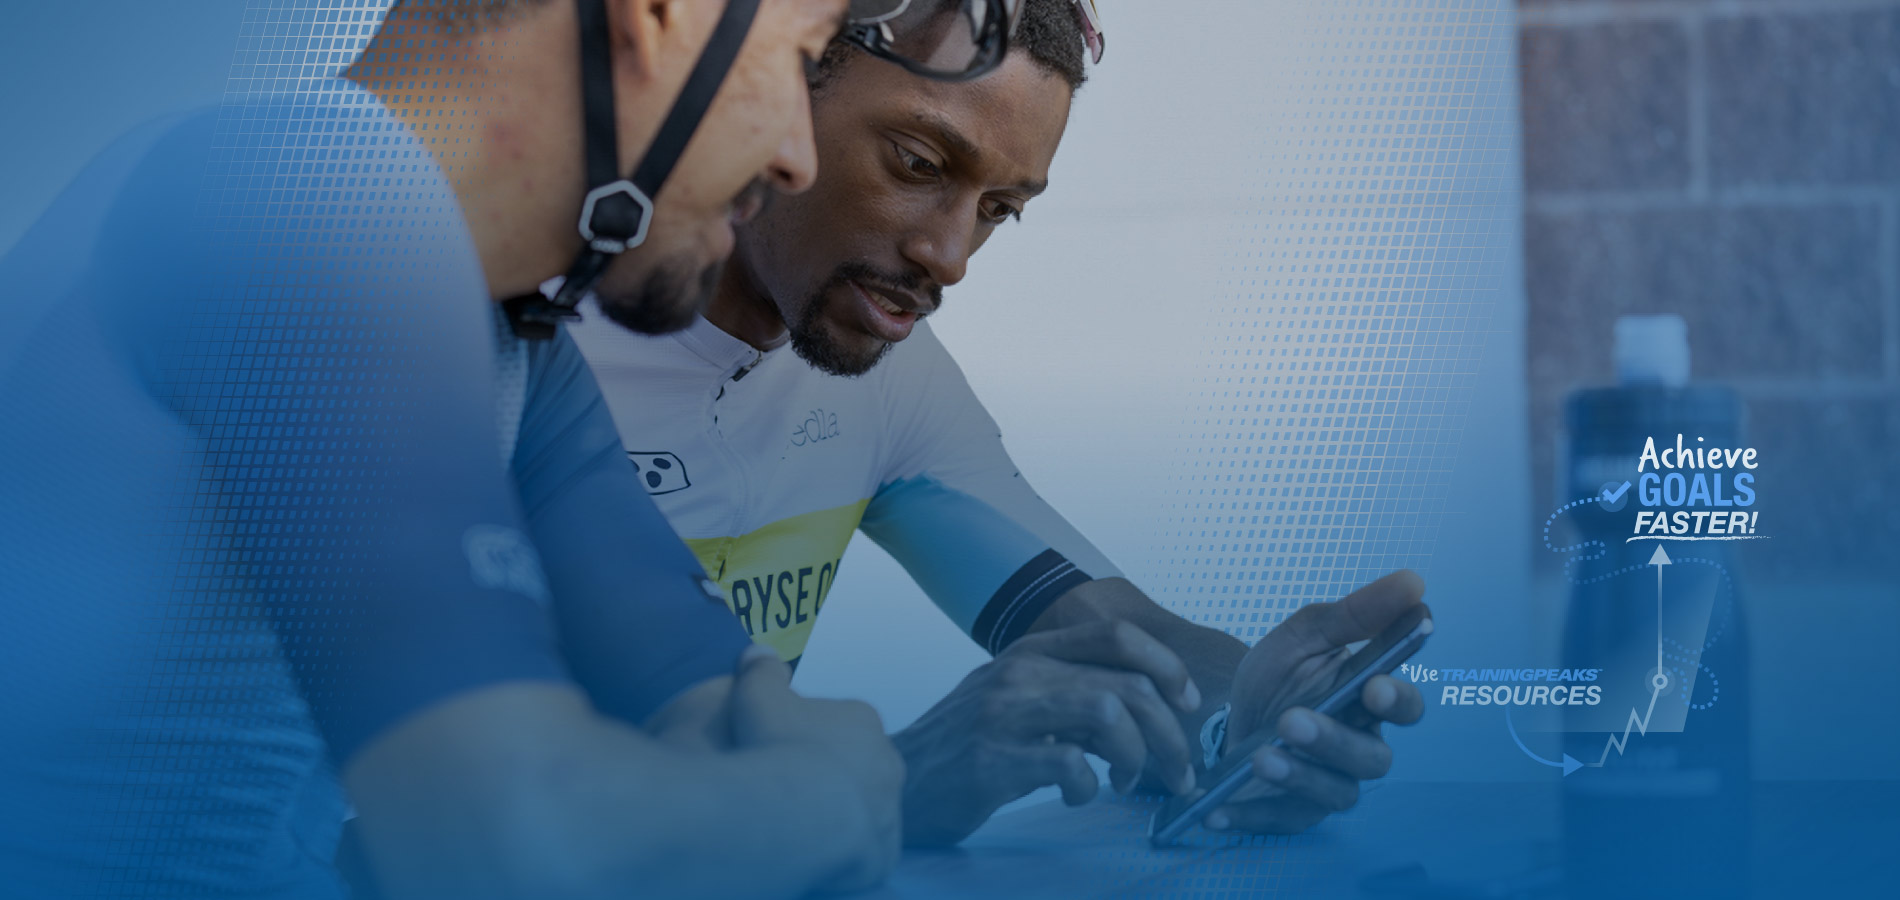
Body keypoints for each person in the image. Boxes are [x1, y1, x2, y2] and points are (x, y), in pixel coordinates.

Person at [0, 1, 915, 898]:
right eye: (800, 57)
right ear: (658, 14)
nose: (799, 156)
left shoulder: (500, 331)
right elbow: (513, 846)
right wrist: (828, 805)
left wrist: (724, 801)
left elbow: (728, 723)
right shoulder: (302, 195)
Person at [568, 0, 1430, 847]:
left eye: (997, 210)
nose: (948, 256)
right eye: (916, 163)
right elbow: (478, 802)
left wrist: (1246, 715)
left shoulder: (887, 377)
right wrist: (895, 782)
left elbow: (1109, 632)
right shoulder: (513, 353)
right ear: (775, 92)